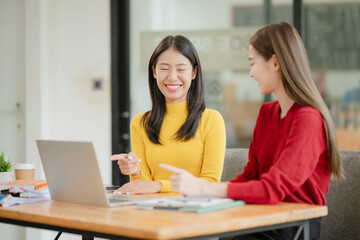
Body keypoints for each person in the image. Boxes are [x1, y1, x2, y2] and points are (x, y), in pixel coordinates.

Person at [160, 22, 344, 240]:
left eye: (253, 63)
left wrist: (204, 189)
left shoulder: (308, 119)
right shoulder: (267, 113)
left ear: (275, 62)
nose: (251, 73)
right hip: (259, 219)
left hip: (293, 228)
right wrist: (196, 193)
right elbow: (251, 176)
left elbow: (272, 189)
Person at [110, 35, 226, 194]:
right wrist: (135, 171)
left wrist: (159, 185)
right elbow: (143, 188)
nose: (172, 77)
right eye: (164, 68)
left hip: (193, 212)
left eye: (181, 69)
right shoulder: (140, 123)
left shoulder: (211, 120)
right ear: (154, 72)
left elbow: (210, 182)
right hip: (152, 211)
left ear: (194, 72)